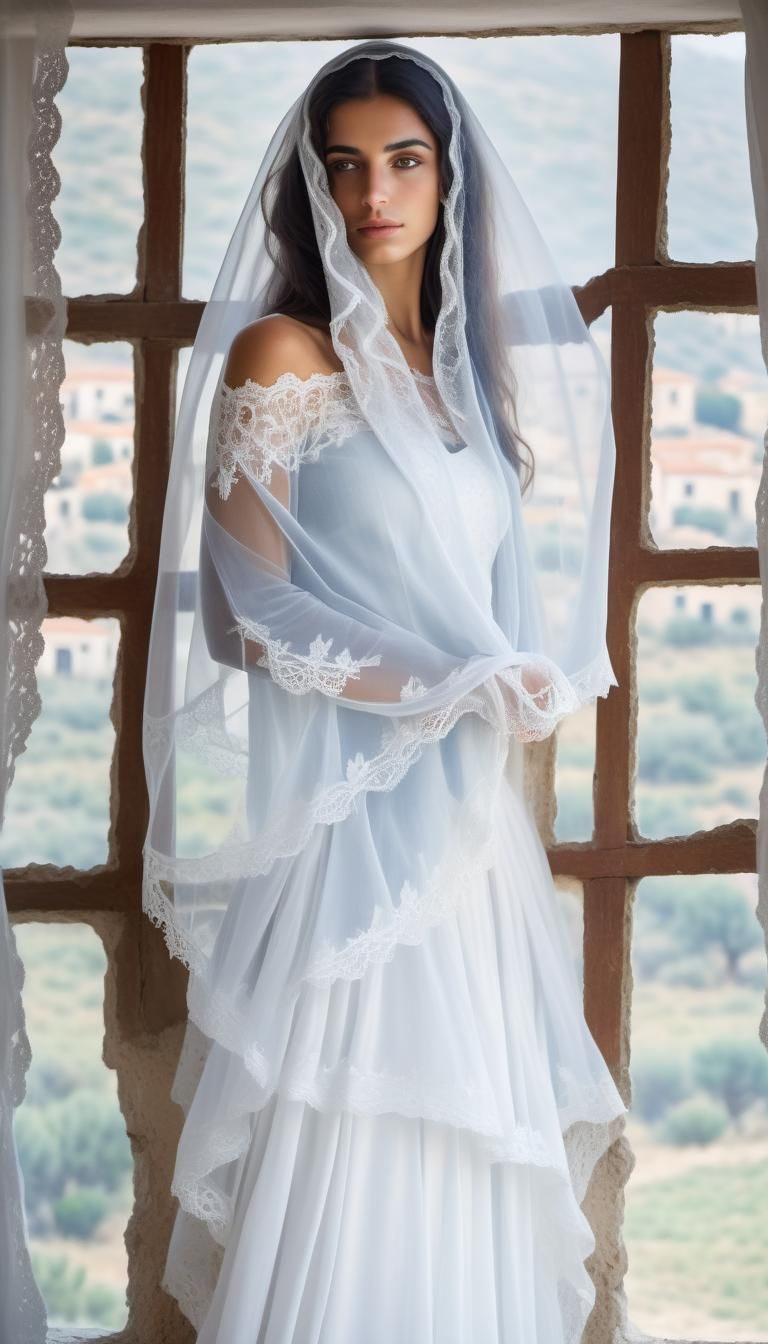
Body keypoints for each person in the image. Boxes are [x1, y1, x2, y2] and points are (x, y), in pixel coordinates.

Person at [141, 37, 628, 1343]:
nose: (375, 193)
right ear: (312, 183)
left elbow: (482, 602)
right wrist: (452, 676)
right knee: (352, 1171)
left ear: (446, 179)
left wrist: (515, 672)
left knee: (468, 1169)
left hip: (468, 854)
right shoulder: (283, 355)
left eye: (405, 161)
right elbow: (253, 616)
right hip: (350, 856)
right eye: (346, 165)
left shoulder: (462, 380)